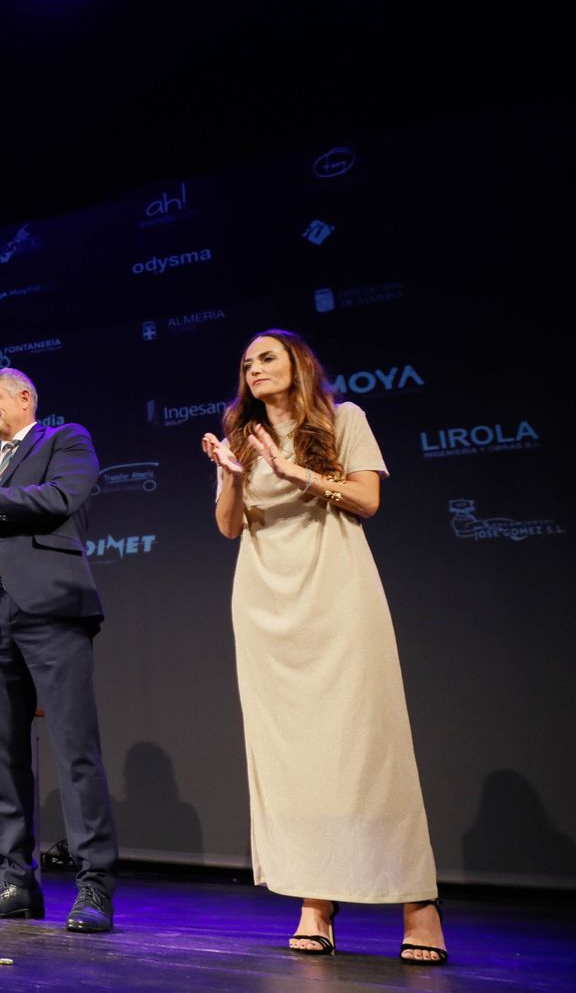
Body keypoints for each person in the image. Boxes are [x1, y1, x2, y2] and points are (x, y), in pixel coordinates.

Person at [201, 329, 447, 965]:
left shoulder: (344, 419)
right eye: (246, 363)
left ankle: (417, 903)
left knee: (369, 745)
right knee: (293, 755)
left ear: (299, 364)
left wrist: (296, 472)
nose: (254, 369)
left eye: (267, 358)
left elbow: (367, 499)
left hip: (337, 590)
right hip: (265, 603)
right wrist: (232, 478)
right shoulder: (240, 438)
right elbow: (229, 527)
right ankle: (316, 900)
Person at [0, 368, 117, 932]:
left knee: (75, 751)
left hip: (52, 608)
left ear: (25, 398)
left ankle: (94, 888)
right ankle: (14, 883)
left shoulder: (65, 441)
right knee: (5, 759)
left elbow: (60, 499)